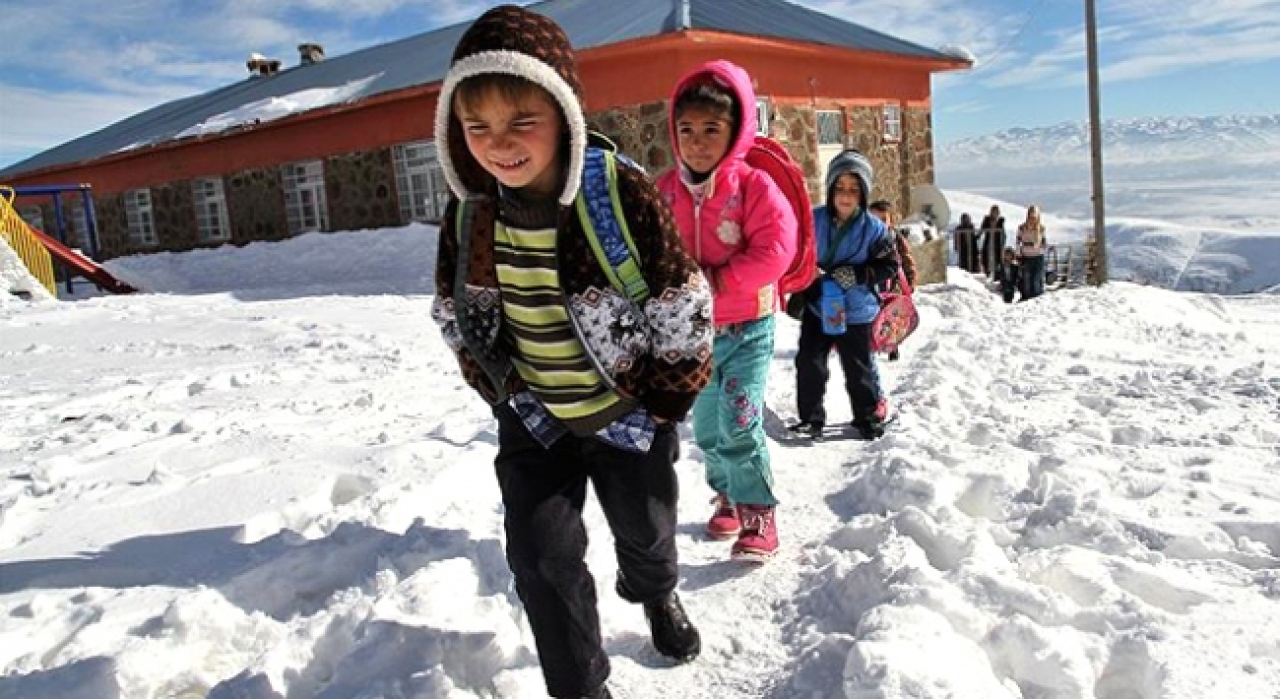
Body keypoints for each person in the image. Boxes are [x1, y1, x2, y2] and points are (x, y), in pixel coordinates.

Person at [430, 7, 714, 698]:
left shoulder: (616, 192)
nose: (499, 143)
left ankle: (655, 592)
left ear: (562, 110)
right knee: (539, 556)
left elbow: (680, 298)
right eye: (478, 127)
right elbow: (456, 312)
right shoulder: (470, 214)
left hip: (626, 409)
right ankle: (581, 686)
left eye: (521, 120)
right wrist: (497, 384)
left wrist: (664, 400)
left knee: (646, 531)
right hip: (533, 417)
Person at [656, 59, 797, 561]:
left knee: (740, 421)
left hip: (748, 329)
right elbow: (649, 247)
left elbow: (777, 249)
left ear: (736, 130)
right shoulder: (666, 190)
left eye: (711, 129)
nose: (697, 141)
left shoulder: (754, 188)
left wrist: (716, 281)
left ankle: (759, 511)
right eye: (686, 129)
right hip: (692, 335)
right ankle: (728, 495)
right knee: (710, 428)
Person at [789, 149, 899, 441]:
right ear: (830, 189)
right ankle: (810, 419)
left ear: (863, 193)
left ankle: (866, 417)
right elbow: (795, 252)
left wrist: (860, 275)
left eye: (853, 189)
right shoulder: (813, 220)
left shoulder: (875, 229)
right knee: (810, 361)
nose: (846, 196)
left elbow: (889, 265)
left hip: (856, 309)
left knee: (858, 366)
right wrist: (807, 271)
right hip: (819, 305)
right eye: (839, 188)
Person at [868, 199, 914, 363]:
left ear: (890, 221)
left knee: (892, 319)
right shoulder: (864, 239)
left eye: (883, 220)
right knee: (873, 315)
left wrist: (909, 281)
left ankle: (892, 346)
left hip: (893, 284)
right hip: (872, 283)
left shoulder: (896, 239)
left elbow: (906, 261)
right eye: (874, 219)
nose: (878, 224)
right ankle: (871, 343)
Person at [1016, 204, 1048, 300]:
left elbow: (1044, 243)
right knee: (1027, 279)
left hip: (1038, 256)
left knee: (1037, 279)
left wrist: (1038, 247)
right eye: (1031, 216)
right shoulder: (1022, 228)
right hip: (1026, 256)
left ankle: (1037, 298)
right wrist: (1018, 253)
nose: (1032, 219)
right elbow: (1018, 241)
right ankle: (1026, 298)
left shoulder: (1041, 228)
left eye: (1034, 217)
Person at [979, 204, 1006, 280]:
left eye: (996, 212)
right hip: (988, 242)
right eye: (993, 211)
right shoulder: (987, 219)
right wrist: (977, 236)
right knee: (986, 259)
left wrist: (1003, 243)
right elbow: (982, 229)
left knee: (997, 260)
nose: (995, 213)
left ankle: (997, 278)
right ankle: (987, 275)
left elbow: (1003, 233)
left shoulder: (1001, 221)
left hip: (997, 244)